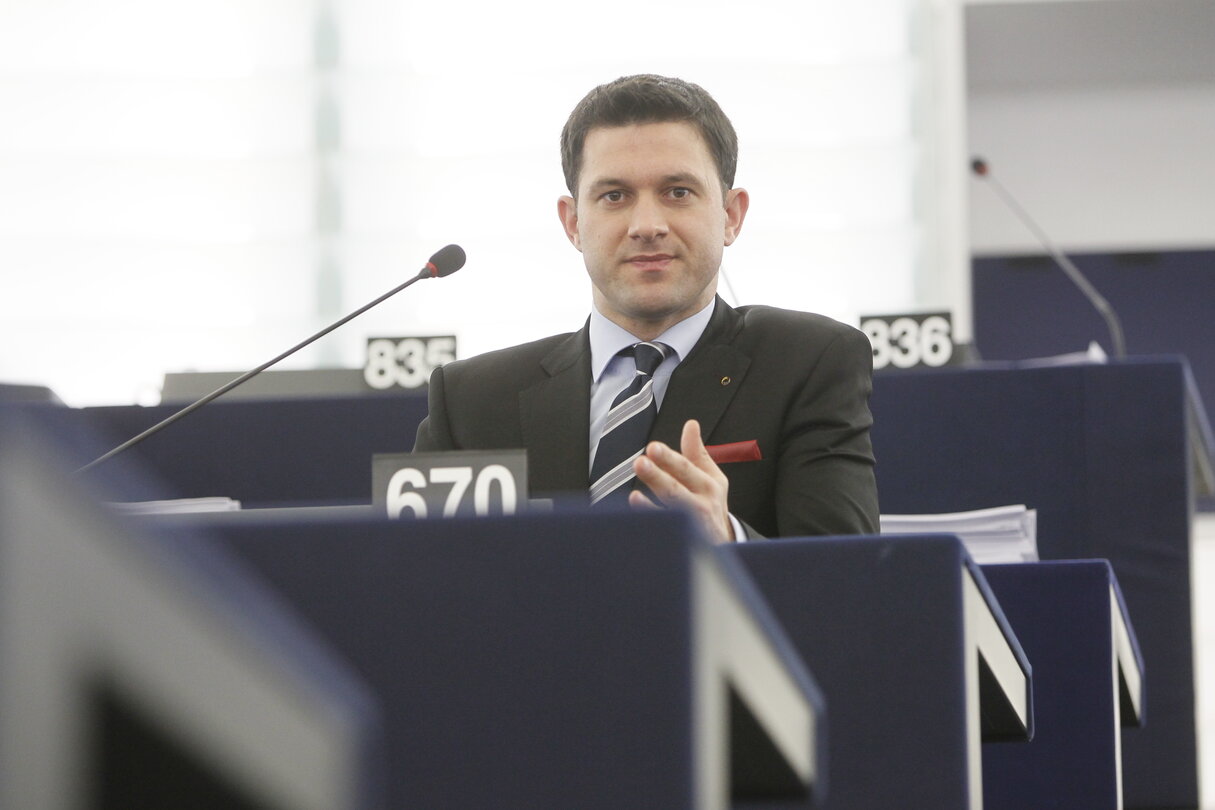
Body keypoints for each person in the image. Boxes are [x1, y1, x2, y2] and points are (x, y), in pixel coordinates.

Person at [414, 74, 878, 542]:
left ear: (731, 215)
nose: (647, 225)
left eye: (678, 192)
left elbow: (846, 588)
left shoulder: (809, 363)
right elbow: (417, 583)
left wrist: (731, 541)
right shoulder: (470, 402)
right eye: (614, 196)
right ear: (573, 223)